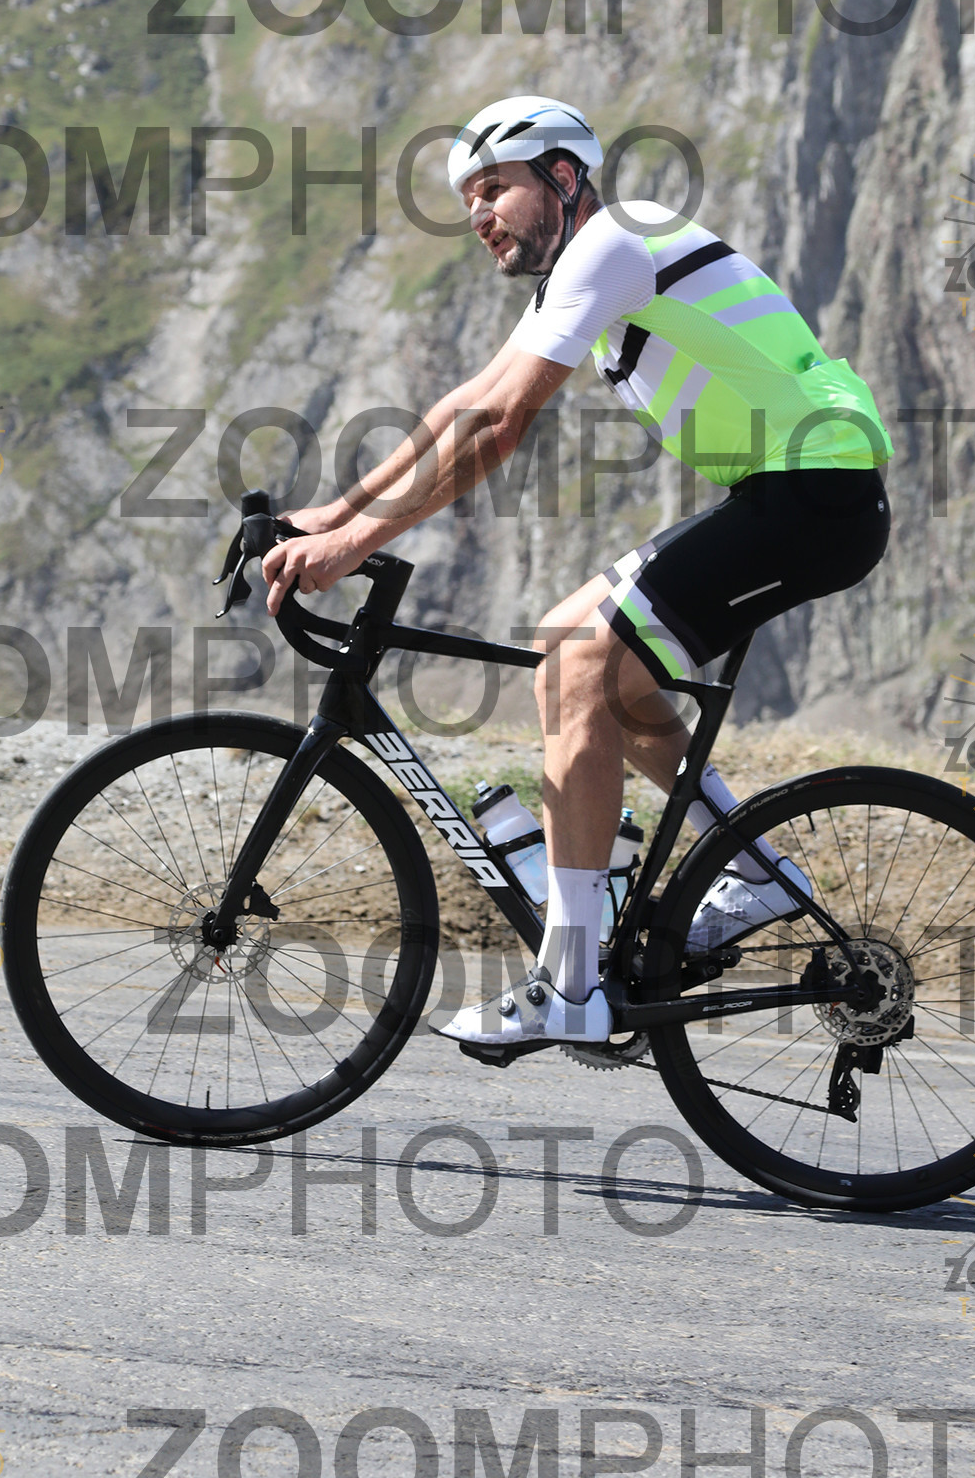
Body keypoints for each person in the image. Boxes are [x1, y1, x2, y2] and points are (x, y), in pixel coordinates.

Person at [261, 96, 892, 1046]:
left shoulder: (614, 243)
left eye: (494, 189)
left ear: (562, 176)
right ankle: (754, 868)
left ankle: (568, 985)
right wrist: (336, 513)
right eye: (468, 201)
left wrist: (351, 547)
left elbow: (499, 425)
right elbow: (466, 402)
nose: (480, 215)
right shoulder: (587, 267)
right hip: (792, 492)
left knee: (577, 668)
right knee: (576, 654)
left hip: (815, 495)